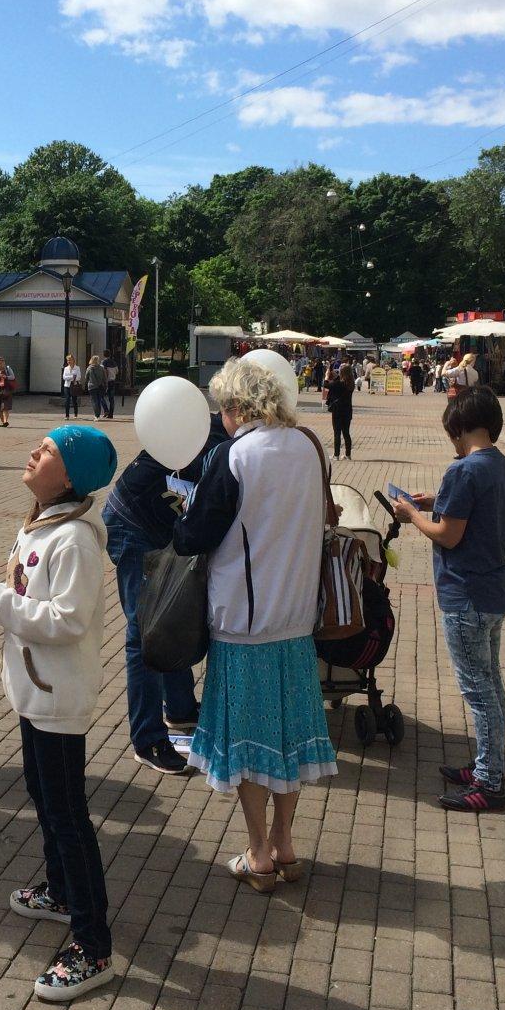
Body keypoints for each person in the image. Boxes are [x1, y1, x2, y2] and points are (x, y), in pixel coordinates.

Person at [0, 426, 120, 1003]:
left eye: (49, 451)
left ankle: (92, 943)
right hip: (35, 692)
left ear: (72, 475)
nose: (34, 452)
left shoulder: (74, 539)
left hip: (58, 696)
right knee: (43, 792)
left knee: (66, 812)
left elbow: (65, 621)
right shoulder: (42, 523)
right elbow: (23, 592)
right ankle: (60, 891)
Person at [172, 359, 336, 892]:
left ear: (237, 408)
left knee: (247, 744)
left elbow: (194, 537)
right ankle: (286, 843)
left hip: (244, 620)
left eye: (223, 408)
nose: (222, 418)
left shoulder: (235, 455)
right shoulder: (310, 448)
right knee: (289, 740)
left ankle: (259, 851)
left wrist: (181, 511)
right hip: (295, 616)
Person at [392, 387, 505, 812]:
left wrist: (413, 515)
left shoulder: (463, 470)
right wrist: (435, 502)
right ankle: (488, 763)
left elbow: (449, 533)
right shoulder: (502, 466)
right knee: (491, 683)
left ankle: (490, 782)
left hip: (466, 595)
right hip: (495, 589)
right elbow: (473, 513)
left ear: (459, 428)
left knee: (478, 690)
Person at [102, 411, 227, 775]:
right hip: (133, 523)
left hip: (164, 527)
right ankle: (148, 739)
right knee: (146, 630)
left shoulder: (224, 438)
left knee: (174, 615)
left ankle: (181, 709)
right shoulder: (212, 438)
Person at [326, 363, 355, 459]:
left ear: (341, 372)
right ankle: (348, 454)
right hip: (347, 410)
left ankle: (336, 454)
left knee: (337, 433)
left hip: (337, 410)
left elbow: (326, 385)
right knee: (346, 433)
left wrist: (327, 376)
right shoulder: (350, 384)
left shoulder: (339, 383)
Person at [0, 356, 16, 427]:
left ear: (4, 363)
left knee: (6, 407)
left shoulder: (8, 369)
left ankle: (5, 421)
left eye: (1, 363)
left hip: (7, 390)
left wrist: (6, 377)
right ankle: (2, 422)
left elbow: (13, 377)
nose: (0, 365)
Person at [84, 355, 108, 420]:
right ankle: (98, 415)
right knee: (98, 400)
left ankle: (96, 415)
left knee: (94, 401)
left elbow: (86, 377)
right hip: (100, 387)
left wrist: (86, 383)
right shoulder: (101, 368)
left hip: (92, 387)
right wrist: (106, 385)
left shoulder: (89, 368)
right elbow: (105, 378)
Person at [62, 354, 82, 419]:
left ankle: (75, 414)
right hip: (67, 386)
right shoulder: (66, 368)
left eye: (70, 360)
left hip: (74, 386)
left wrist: (73, 378)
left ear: (73, 360)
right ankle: (67, 415)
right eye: (68, 360)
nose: (69, 361)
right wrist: (72, 377)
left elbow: (78, 377)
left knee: (74, 400)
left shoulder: (77, 368)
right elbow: (64, 377)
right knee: (67, 400)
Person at [103, 355, 118, 419]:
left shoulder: (104, 362)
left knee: (101, 397)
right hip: (113, 381)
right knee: (111, 399)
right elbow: (117, 371)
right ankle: (111, 414)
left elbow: (103, 372)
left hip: (106, 382)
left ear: (104, 354)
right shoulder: (114, 362)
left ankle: (106, 410)